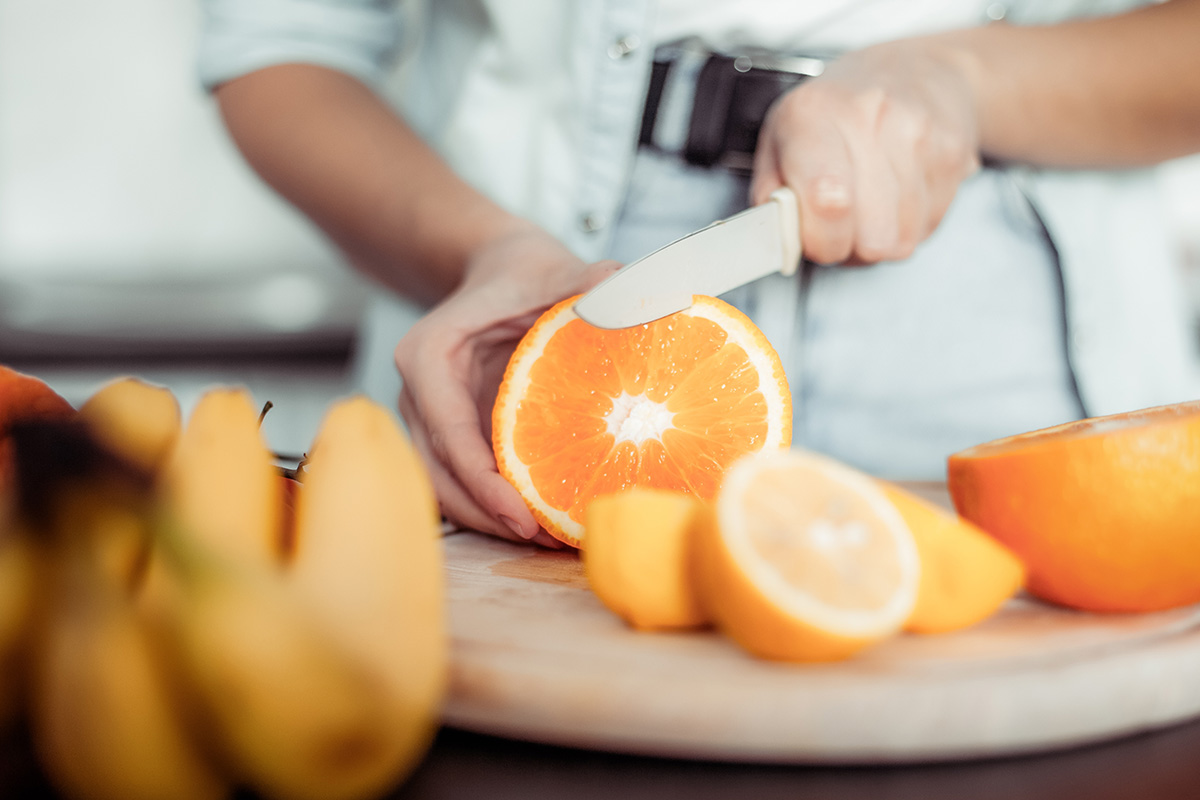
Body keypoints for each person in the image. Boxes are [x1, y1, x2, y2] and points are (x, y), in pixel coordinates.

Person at [198, 0, 1200, 548]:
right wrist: (477, 249)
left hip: (998, 330)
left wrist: (968, 80)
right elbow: (282, 43)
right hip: (529, 306)